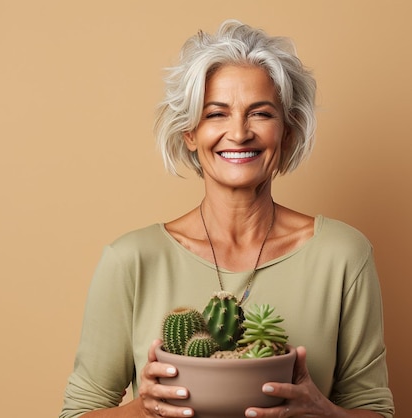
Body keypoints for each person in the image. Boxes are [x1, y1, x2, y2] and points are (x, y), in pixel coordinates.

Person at [60, 20, 394, 418]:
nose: (239, 133)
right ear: (190, 132)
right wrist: (142, 410)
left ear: (287, 133)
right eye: (217, 114)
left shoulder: (342, 255)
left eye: (261, 113)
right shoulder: (131, 260)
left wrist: (321, 411)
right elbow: (76, 413)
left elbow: (375, 411)